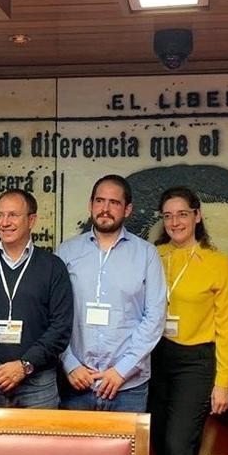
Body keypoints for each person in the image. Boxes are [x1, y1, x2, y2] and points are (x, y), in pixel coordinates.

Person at [57, 174, 166, 412]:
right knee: (73, 451)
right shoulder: (66, 253)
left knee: (129, 450)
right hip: (76, 382)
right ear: (90, 205)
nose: (105, 209)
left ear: (127, 209)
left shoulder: (146, 254)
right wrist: (70, 364)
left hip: (127, 386)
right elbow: (52, 316)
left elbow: (155, 317)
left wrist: (121, 370)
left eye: (114, 203)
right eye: (99, 201)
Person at [0, 189, 73, 408]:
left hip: (37, 384)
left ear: (32, 220)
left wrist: (24, 366)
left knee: (38, 443)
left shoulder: (52, 267)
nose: (5, 222)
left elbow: (60, 327)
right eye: (0, 215)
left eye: (13, 215)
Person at [148, 186, 228, 455]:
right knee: (158, 442)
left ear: (197, 216)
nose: (175, 222)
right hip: (155, 358)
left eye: (182, 214)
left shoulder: (217, 264)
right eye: (168, 216)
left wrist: (223, 383)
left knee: (178, 445)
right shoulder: (151, 256)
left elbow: (226, 328)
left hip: (196, 363)